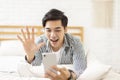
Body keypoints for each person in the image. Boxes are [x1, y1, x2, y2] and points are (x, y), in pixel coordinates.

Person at [17, 9, 87, 80]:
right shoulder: (40, 42)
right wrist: (30, 57)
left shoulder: (75, 42)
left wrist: (69, 76)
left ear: (65, 29)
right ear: (44, 30)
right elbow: (34, 68)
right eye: (48, 30)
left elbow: (80, 70)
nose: (53, 35)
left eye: (57, 30)